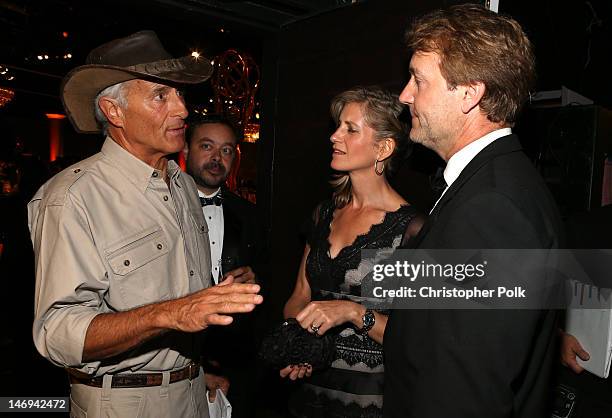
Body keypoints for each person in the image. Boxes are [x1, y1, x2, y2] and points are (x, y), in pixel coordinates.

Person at [27, 30, 262, 418]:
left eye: (180, 95)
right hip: (122, 404)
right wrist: (170, 312)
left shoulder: (184, 185)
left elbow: (178, 293)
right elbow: (58, 332)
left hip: (191, 390)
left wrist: (211, 308)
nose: (183, 110)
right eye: (161, 96)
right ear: (114, 111)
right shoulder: (73, 197)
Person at [383, 5, 564, 418]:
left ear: (469, 93)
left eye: (418, 80)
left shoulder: (493, 208)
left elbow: (463, 394)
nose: (404, 95)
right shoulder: (487, 184)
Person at [281, 86, 425, 418]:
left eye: (350, 129)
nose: (334, 136)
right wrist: (299, 347)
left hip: (372, 401)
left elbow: (417, 338)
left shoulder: (412, 230)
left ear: (384, 148)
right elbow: (299, 297)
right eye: (337, 126)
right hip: (310, 391)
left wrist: (353, 312)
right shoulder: (323, 214)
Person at [184, 114, 264, 418]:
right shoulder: (161, 211)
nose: (217, 158)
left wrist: (256, 278)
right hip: (177, 350)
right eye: (207, 146)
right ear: (186, 149)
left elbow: (270, 274)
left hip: (233, 352)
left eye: (227, 150)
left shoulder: (249, 215)